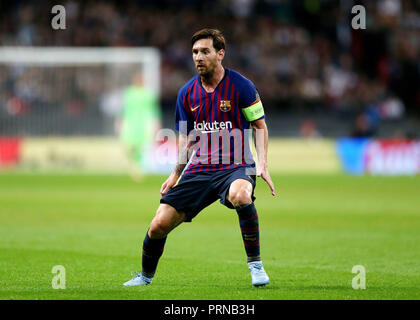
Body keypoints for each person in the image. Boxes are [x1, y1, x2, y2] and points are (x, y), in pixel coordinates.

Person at [123, 28, 275, 287]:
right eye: (195, 52)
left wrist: (261, 164)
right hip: (201, 168)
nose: (198, 57)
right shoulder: (186, 93)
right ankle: (145, 277)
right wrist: (175, 174)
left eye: (205, 51)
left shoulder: (243, 86)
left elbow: (260, 126)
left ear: (220, 54)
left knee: (241, 194)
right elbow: (186, 140)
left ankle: (256, 266)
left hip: (236, 165)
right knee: (158, 224)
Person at [115, 72, 161, 179]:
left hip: (144, 125)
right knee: (129, 146)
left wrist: (157, 123)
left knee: (142, 147)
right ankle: (133, 165)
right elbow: (123, 109)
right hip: (130, 124)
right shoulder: (129, 93)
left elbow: (155, 110)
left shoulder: (148, 94)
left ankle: (139, 167)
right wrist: (119, 121)